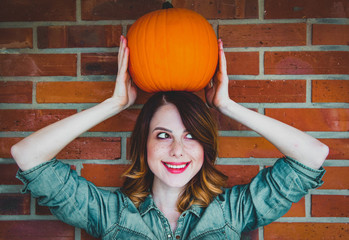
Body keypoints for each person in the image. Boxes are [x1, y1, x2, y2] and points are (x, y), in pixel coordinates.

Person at [11, 35, 329, 239]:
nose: (177, 150)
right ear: (144, 145)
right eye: (163, 135)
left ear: (205, 148)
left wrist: (227, 106)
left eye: (191, 136)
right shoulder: (110, 214)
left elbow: (312, 156)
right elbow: (28, 156)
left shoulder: (232, 213)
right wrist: (114, 104)